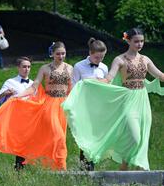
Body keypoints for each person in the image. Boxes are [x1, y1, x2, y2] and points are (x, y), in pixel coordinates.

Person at [63, 28, 164, 171]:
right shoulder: (119, 59)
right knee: (134, 137)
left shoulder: (146, 59)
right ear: (128, 40)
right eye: (136, 41)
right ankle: (123, 168)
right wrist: (87, 82)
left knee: (142, 138)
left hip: (143, 100)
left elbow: (160, 75)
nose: (139, 44)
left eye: (142, 41)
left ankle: (133, 172)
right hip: (127, 100)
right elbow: (108, 79)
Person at [0, 42, 73, 170]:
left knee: (61, 137)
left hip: (63, 105)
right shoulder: (45, 68)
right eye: (58, 54)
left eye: (63, 53)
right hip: (50, 105)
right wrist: (19, 95)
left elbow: (71, 89)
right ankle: (62, 167)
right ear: (52, 54)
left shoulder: (70, 68)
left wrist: (72, 105)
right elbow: (33, 87)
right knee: (58, 136)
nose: (61, 56)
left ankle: (56, 166)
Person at [71, 38, 109, 171]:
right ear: (90, 53)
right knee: (84, 135)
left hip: (98, 105)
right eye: (97, 57)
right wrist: (89, 81)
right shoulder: (78, 66)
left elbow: (107, 85)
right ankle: (85, 167)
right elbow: (73, 87)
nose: (99, 60)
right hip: (83, 105)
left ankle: (92, 164)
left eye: (102, 57)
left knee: (95, 136)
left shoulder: (104, 67)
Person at [0, 57, 34, 170]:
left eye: (29, 67)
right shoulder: (10, 82)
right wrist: (5, 93)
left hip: (31, 117)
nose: (27, 69)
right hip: (17, 117)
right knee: (21, 143)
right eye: (24, 66)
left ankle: (25, 166)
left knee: (29, 143)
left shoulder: (33, 84)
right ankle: (19, 167)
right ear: (18, 68)